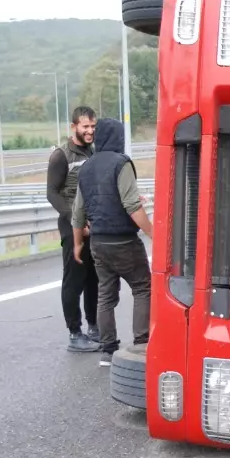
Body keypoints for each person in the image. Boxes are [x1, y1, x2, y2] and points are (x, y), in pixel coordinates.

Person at [70, 117, 153, 368]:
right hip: (123, 240)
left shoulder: (86, 167)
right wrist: (154, 234)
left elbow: (78, 212)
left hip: (98, 242)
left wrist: (77, 245)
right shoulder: (121, 163)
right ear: (117, 138)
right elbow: (131, 206)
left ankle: (107, 350)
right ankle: (141, 343)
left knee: (106, 295)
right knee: (142, 287)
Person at [47, 106, 99, 353]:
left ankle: (94, 327)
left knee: (94, 278)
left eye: (92, 126)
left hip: (94, 224)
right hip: (72, 226)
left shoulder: (94, 151)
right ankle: (75, 333)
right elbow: (52, 193)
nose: (90, 131)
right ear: (74, 127)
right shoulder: (61, 155)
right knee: (74, 279)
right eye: (85, 126)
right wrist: (75, 221)